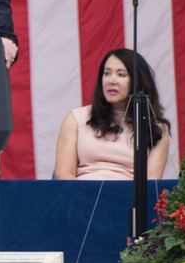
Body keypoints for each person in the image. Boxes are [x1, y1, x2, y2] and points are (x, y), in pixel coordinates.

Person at [54, 49, 171, 180]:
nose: (111, 80)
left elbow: (150, 184)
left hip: (127, 198)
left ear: (138, 81)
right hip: (80, 196)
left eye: (121, 75)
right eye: (107, 73)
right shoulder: (76, 118)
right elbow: (63, 175)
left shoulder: (156, 128)